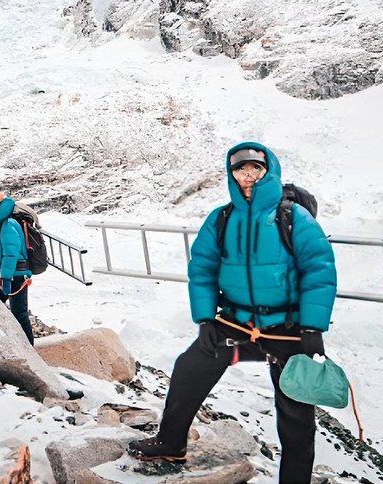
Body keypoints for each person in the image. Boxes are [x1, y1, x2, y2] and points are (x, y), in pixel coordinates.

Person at [128, 143, 336, 484]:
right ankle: (170, 442)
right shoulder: (221, 218)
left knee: (295, 413)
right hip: (235, 323)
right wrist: (206, 319)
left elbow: (319, 270)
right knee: (189, 368)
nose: (248, 175)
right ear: (232, 173)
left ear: (269, 170)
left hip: (287, 328)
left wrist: (312, 328)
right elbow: (203, 270)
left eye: (256, 168)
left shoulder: (294, 218)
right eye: (241, 169)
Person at [0, 190, 35, 344]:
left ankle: (29, 348)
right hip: (7, 275)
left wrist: (5, 277)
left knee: (19, 313)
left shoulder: (7, 224)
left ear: (0, 206)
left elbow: (11, 254)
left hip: (16, 275)